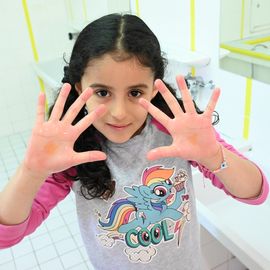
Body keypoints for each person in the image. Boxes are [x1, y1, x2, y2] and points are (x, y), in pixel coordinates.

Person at [0, 13, 268, 270]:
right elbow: (6, 235)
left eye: (135, 92)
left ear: (154, 88)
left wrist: (213, 156)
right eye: (103, 92)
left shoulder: (176, 130)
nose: (119, 112)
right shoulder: (73, 149)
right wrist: (30, 172)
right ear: (81, 89)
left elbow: (256, 192)